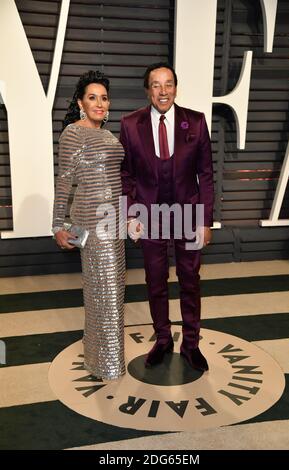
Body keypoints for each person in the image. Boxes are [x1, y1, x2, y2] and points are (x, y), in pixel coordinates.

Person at [120, 63, 214, 371]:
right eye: (156, 85)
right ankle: (163, 339)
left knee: (190, 280)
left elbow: (206, 175)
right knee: (155, 281)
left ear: (176, 87)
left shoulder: (196, 122)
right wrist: (130, 213)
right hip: (149, 216)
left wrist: (205, 220)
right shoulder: (131, 124)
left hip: (187, 212)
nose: (163, 91)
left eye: (169, 84)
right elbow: (126, 175)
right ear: (147, 90)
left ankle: (191, 344)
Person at [52, 70, 126, 380]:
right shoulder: (73, 133)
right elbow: (65, 179)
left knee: (110, 293)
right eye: (92, 97)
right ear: (81, 102)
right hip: (93, 222)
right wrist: (58, 223)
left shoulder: (109, 134)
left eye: (104, 98)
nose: (99, 103)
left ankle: (98, 358)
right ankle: (107, 365)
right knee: (104, 294)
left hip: (115, 221)